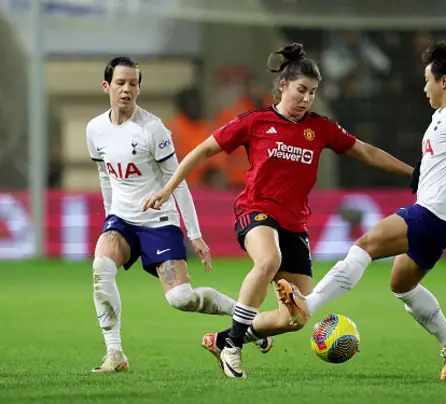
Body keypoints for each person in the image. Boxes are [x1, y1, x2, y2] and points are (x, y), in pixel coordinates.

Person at [275, 40, 446, 381]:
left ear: (444, 81)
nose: (424, 87)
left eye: (428, 80)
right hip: (440, 217)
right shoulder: (441, 117)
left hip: (434, 214)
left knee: (364, 246)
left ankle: (308, 305)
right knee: (401, 285)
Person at [142, 43, 413, 379]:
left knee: (296, 318)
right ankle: (234, 348)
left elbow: (367, 152)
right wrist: (168, 188)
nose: (306, 99)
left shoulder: (321, 128)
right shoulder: (255, 122)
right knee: (268, 260)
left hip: (294, 224)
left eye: (312, 92)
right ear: (283, 86)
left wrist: (413, 174)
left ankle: (223, 339)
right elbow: (203, 150)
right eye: (301, 90)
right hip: (254, 211)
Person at [88, 57, 271, 373]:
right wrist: (109, 216)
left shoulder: (153, 129)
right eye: (120, 83)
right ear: (107, 86)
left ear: (140, 88)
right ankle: (115, 354)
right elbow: (105, 175)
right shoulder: (95, 129)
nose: (127, 89)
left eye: (133, 83)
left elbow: (179, 181)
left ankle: (248, 318)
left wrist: (195, 234)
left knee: (181, 298)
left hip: (159, 221)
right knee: (101, 271)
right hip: (121, 221)